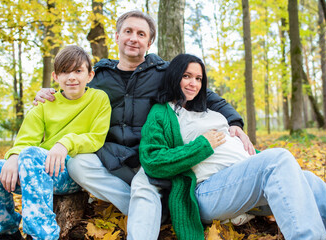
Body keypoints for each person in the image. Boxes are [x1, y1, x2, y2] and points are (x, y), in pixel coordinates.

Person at [33, 11, 255, 240]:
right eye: (128, 31)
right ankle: (156, 209)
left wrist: (235, 122)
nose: (133, 38)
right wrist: (48, 93)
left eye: (141, 34)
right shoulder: (99, 75)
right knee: (78, 165)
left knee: (144, 185)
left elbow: (206, 94)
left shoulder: (164, 72)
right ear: (117, 36)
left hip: (149, 155)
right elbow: (72, 89)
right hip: (110, 154)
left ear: (149, 42)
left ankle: (149, 209)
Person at [139, 53, 326, 240]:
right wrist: (201, 145)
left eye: (198, 78)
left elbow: (240, 153)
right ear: (174, 76)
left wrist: (244, 142)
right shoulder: (162, 113)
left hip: (243, 184)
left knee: (308, 180)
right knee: (278, 158)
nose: (193, 83)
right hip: (206, 193)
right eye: (186, 76)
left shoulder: (208, 111)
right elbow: (152, 160)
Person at [0, 45, 111, 240]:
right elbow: (26, 138)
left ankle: (43, 235)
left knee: (31, 155)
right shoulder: (45, 103)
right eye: (65, 71)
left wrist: (65, 143)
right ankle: (8, 232)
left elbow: (96, 138)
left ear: (90, 76)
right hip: (34, 167)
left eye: (78, 71)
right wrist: (14, 156)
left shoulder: (98, 99)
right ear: (56, 77)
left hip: (69, 172)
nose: (71, 77)